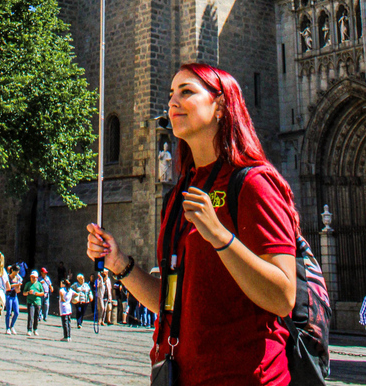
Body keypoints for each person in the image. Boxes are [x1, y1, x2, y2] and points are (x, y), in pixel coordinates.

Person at [86, 63, 299, 385]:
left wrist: (220, 237)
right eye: (172, 94)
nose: (172, 102)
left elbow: (283, 298)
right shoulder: (181, 193)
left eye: (187, 92)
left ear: (221, 105)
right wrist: (120, 265)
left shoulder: (254, 183)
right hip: (178, 373)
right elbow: (172, 301)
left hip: (246, 376)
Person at [22, 270, 44, 336]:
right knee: (30, 316)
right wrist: (28, 292)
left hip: (37, 302)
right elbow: (24, 293)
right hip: (30, 301)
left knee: (36, 316)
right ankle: (29, 329)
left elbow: (42, 293)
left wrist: (38, 294)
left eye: (34, 277)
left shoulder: (39, 284)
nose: (33, 278)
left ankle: (35, 329)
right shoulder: (28, 284)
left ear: (37, 278)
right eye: (32, 277)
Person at [4, 265, 22, 335]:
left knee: (17, 312)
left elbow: (18, 289)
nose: (17, 272)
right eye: (16, 271)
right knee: (8, 312)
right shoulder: (8, 277)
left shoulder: (17, 278)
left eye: (18, 271)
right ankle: (7, 327)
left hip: (15, 296)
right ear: (12, 270)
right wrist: (16, 285)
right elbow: (8, 287)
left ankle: (12, 326)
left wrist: (18, 286)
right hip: (9, 295)